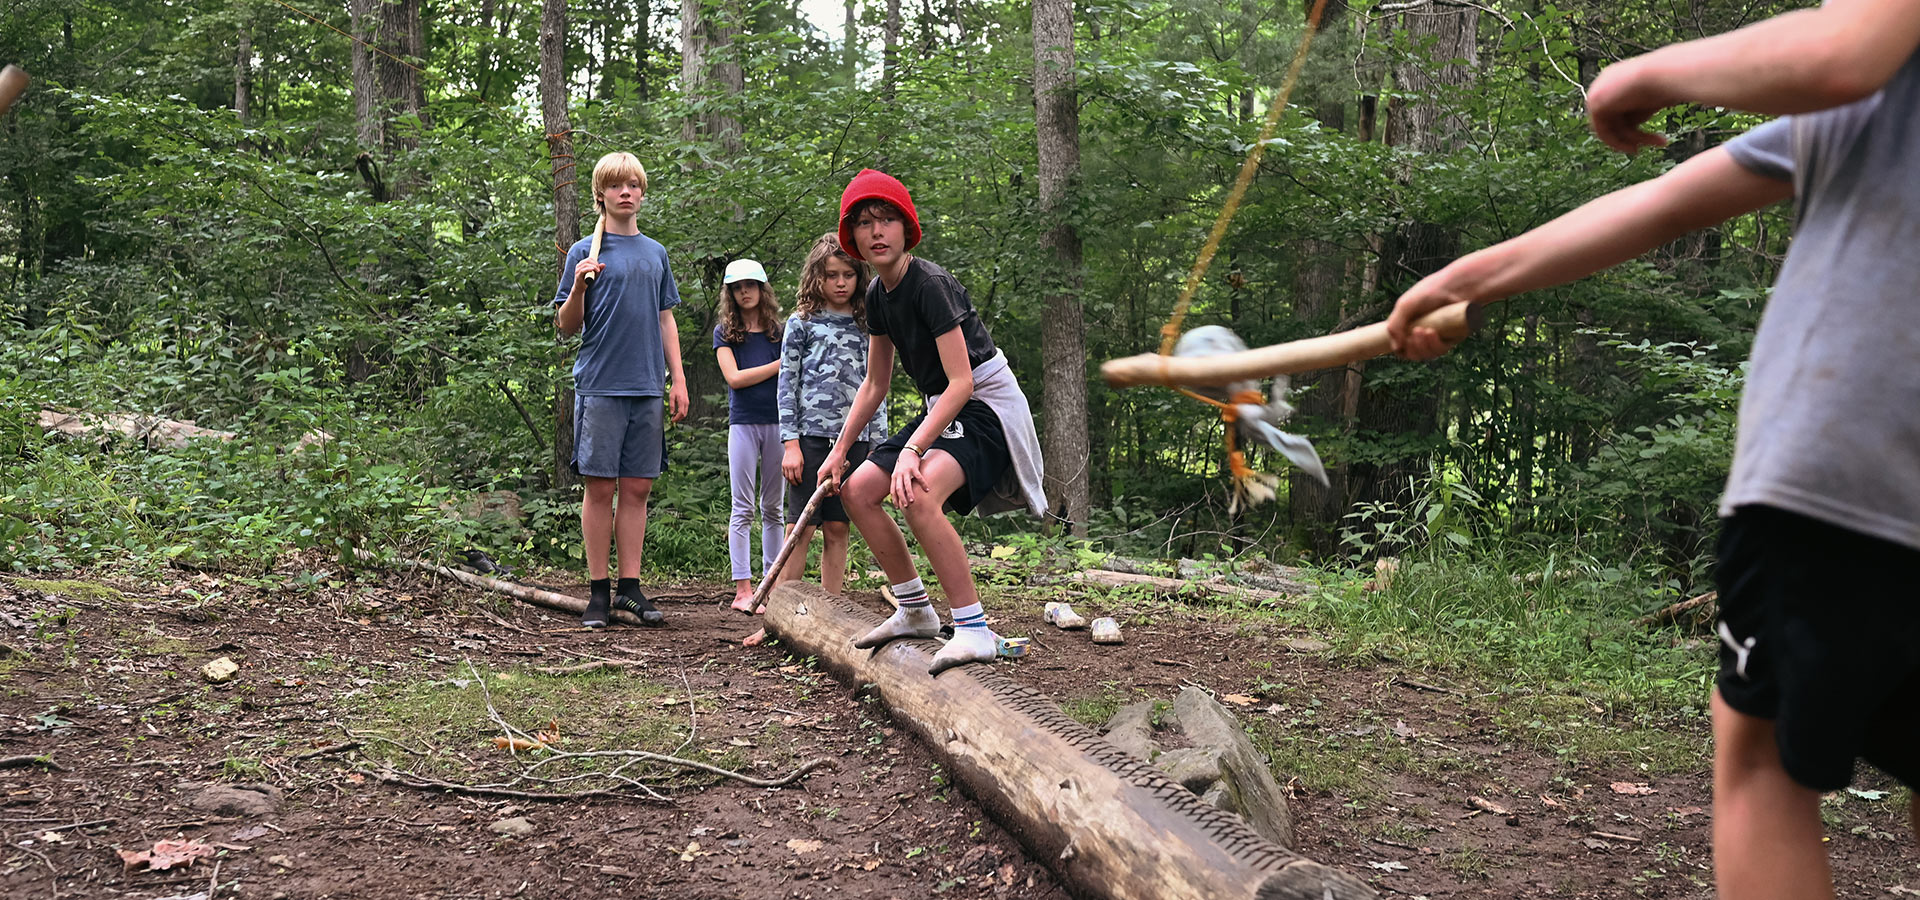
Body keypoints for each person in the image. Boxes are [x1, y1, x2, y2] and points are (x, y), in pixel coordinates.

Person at [1384, 5, 1920, 897]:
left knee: (1760, 756)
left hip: (1843, 478)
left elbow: (1837, 56)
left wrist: (1643, 73)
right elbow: (1662, 203)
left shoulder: (1867, 83)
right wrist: (1461, 281)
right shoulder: (1874, 112)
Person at [817, 170, 1047, 675]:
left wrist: (911, 450)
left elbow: (963, 381)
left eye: (887, 220)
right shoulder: (878, 294)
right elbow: (875, 384)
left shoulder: (931, 284)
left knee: (917, 492)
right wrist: (839, 450)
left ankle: (974, 629)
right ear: (850, 237)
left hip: (984, 404)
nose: (876, 232)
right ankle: (916, 610)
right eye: (864, 223)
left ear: (907, 229)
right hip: (943, 402)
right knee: (856, 491)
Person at [553, 151, 689, 628]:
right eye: (616, 185)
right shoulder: (583, 254)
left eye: (633, 184)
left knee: (637, 489)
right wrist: (578, 288)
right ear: (601, 195)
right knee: (599, 487)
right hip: (600, 385)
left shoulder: (655, 253)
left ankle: (630, 588)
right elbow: (566, 327)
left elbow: (665, 317)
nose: (626, 191)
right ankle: (597, 593)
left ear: (642, 193)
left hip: (648, 386)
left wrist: (679, 378)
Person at [713, 258, 788, 612]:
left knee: (773, 507)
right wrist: (781, 364)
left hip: (779, 425)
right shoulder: (725, 333)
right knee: (741, 507)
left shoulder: (780, 332)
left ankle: (771, 587)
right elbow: (735, 378)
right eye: (738, 286)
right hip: (743, 424)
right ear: (731, 292)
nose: (745, 291)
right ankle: (743, 589)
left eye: (751, 285)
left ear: (762, 289)